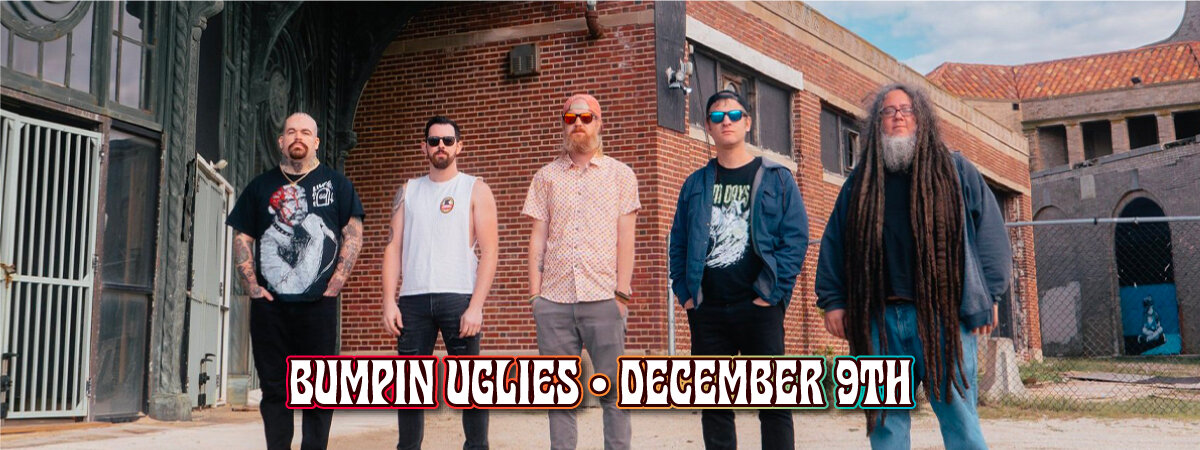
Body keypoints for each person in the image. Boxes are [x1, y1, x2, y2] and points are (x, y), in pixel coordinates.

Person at [815, 83, 1013, 449]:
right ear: (877, 123)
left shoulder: (955, 170)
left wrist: (991, 295)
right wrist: (833, 299)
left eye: (906, 110)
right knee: (885, 423)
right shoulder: (860, 181)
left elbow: (990, 233)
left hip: (942, 317)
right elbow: (834, 241)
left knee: (960, 416)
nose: (898, 117)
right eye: (888, 112)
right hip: (877, 320)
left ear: (921, 119)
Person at [667, 90, 809, 450]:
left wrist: (772, 294)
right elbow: (679, 240)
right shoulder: (695, 184)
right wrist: (684, 294)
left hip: (758, 307)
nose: (725, 121)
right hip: (708, 309)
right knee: (714, 405)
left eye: (733, 115)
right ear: (709, 129)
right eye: (716, 117)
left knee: (774, 404)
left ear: (747, 122)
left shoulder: (777, 178)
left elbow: (795, 239)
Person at [227, 112, 365, 450]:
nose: (297, 137)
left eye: (305, 132)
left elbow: (354, 233)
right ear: (281, 141)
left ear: (316, 141)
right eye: (291, 132)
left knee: (318, 391)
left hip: (318, 307)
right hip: (270, 309)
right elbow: (243, 237)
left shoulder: (336, 184)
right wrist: (252, 286)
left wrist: (336, 283)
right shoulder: (260, 186)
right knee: (275, 390)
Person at [522, 94, 639, 450]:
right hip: (554, 301)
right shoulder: (545, 177)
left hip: (604, 298)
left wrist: (621, 293)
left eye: (586, 117)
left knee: (614, 394)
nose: (578, 123)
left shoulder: (621, 175)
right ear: (563, 123)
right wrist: (535, 296)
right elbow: (537, 239)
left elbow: (626, 240)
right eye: (570, 117)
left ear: (598, 123)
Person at [381, 116, 498, 450]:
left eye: (448, 140)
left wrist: (476, 306)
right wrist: (389, 301)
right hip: (413, 301)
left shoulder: (475, 188)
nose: (441, 146)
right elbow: (392, 246)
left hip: (458, 298)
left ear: (459, 145)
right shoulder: (408, 190)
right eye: (434, 141)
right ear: (425, 147)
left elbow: (490, 252)